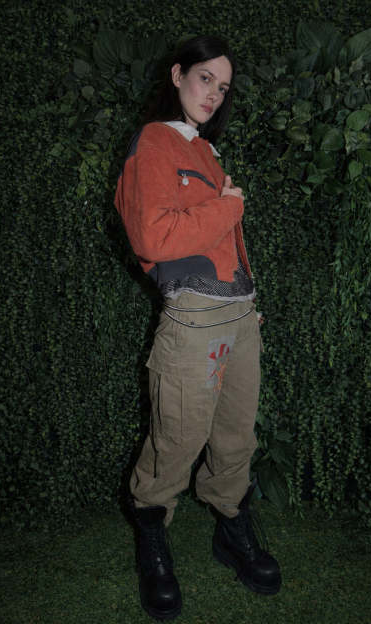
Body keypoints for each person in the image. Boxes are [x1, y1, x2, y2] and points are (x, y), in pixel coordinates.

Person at [114, 34, 281, 621]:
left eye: (223, 87)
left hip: (240, 320)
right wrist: (230, 205)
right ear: (177, 75)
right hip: (193, 322)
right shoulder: (155, 142)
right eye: (206, 78)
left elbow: (221, 243)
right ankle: (151, 534)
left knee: (236, 437)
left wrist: (246, 296)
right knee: (177, 441)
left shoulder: (206, 151)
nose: (214, 94)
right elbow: (153, 236)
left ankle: (231, 529)